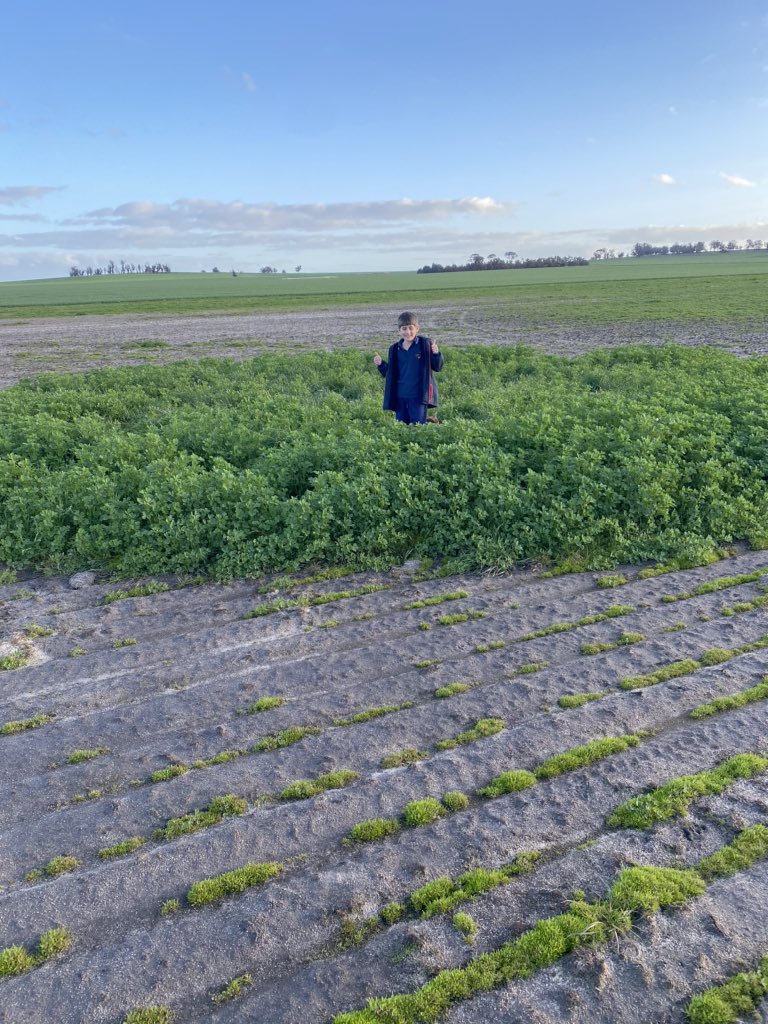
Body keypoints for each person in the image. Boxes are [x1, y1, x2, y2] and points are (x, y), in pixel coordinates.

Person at [373, 312, 444, 424]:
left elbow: (437, 366)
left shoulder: (425, 344)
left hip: (419, 396)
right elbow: (390, 373)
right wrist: (381, 364)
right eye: (404, 329)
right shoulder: (394, 349)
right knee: (401, 427)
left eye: (411, 328)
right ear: (399, 330)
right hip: (400, 395)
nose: (408, 332)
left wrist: (436, 353)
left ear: (417, 328)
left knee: (419, 428)